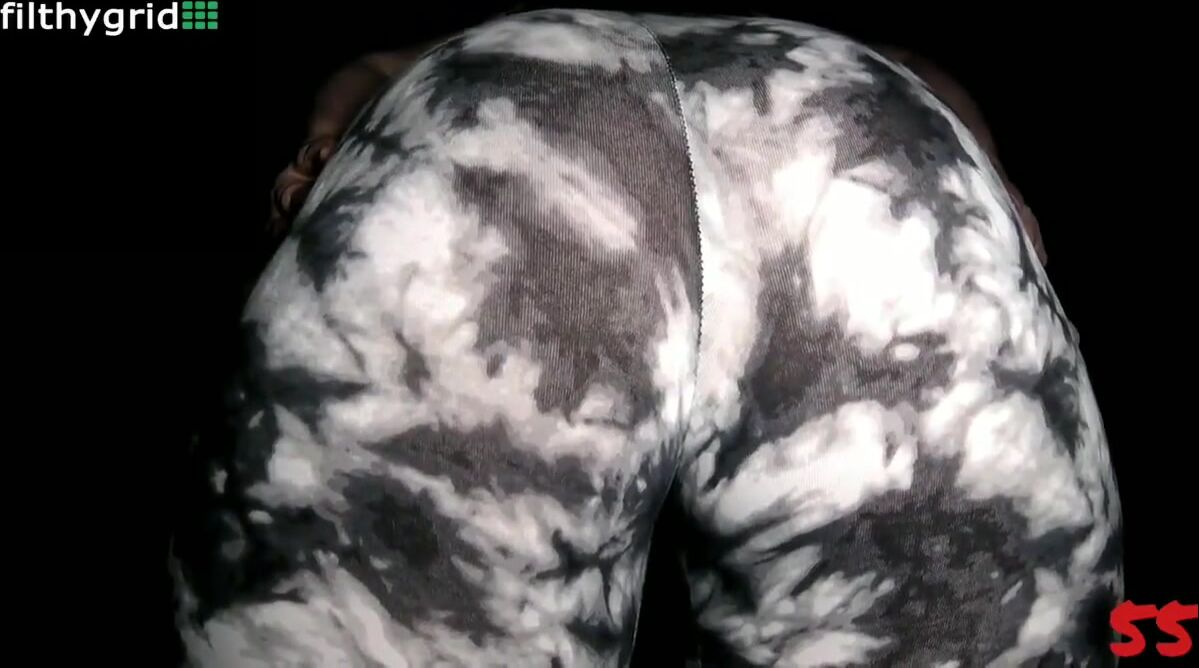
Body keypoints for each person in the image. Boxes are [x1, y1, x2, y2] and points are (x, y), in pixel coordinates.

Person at [172, 8, 1121, 666]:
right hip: (859, 134)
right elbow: (916, 67)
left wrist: (330, 138)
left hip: (493, 128)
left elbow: (368, 74)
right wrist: (986, 174)